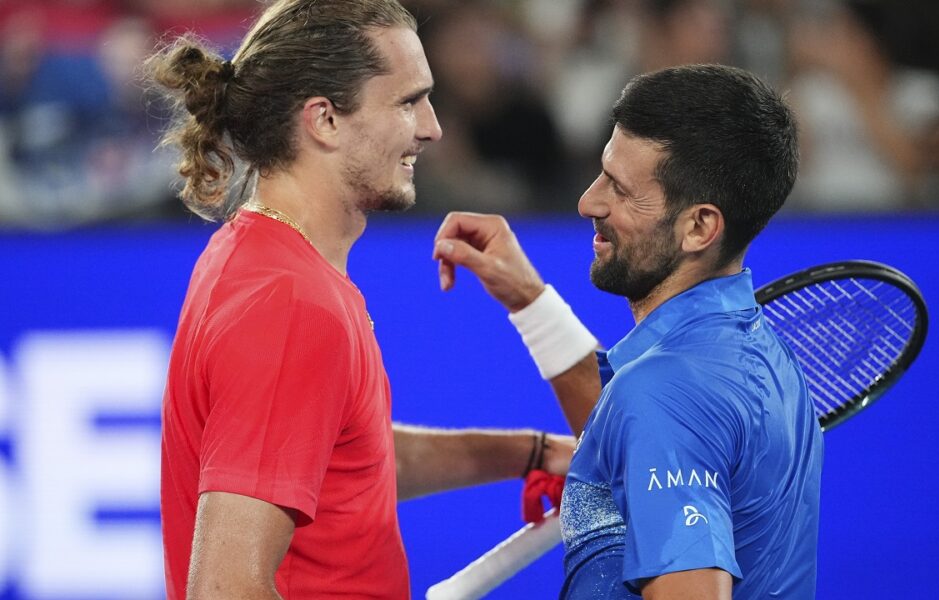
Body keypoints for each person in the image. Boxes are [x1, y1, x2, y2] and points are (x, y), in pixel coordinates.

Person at [146, 1, 573, 598]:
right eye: (407, 101)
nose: (432, 127)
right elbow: (226, 588)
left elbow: (352, 461)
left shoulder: (262, 259)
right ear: (323, 120)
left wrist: (533, 452)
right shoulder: (290, 305)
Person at [434, 64, 824, 599]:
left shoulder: (663, 393)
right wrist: (529, 301)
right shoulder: (754, 353)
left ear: (699, 227)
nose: (589, 202)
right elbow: (625, 427)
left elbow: (655, 412)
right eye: (602, 174)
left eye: (619, 189)